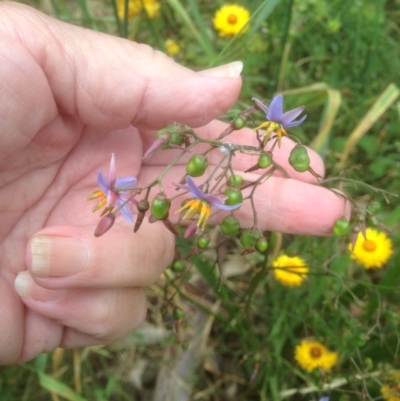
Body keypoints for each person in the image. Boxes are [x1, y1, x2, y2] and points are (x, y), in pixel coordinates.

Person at [0, 2, 346, 365]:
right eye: (270, 128)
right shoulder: (132, 187)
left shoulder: (127, 188)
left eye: (273, 130)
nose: (269, 132)